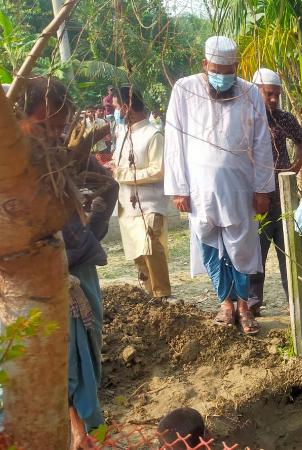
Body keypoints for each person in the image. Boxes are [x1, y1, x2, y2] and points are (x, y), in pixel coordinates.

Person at [16, 77, 119, 448]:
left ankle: (84, 431)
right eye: (45, 125)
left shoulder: (69, 152)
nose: (55, 133)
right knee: (46, 358)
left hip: (78, 269)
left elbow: (108, 186)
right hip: (28, 280)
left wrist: (91, 229)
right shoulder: (12, 162)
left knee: (84, 354)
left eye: (61, 125)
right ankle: (70, 429)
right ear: (20, 117)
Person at [164, 36, 275, 335]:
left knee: (242, 248)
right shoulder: (185, 89)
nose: (223, 77)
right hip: (199, 190)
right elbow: (174, 141)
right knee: (209, 244)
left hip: (241, 187)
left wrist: (263, 189)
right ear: (204, 65)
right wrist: (179, 188)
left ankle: (244, 307)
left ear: (237, 67)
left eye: (229, 71)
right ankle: (225, 304)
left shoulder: (251, 93)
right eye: (216, 70)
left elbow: (262, 143)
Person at [248, 68, 302, 315]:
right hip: (256, 202)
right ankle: (253, 303)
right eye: (268, 94)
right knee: (256, 256)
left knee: (290, 254)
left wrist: (295, 167)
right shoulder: (245, 118)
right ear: (255, 91)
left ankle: (294, 303)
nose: (273, 99)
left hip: (284, 200)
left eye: (277, 95)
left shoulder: (284, 119)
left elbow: (301, 140)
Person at [106, 86, 173, 301]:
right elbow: (119, 164)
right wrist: (113, 167)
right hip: (127, 203)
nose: (115, 112)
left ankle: (163, 294)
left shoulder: (153, 134)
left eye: (116, 107)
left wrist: (121, 173)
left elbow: (158, 170)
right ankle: (150, 295)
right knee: (138, 253)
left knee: (151, 247)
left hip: (149, 202)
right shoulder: (124, 134)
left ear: (126, 107)